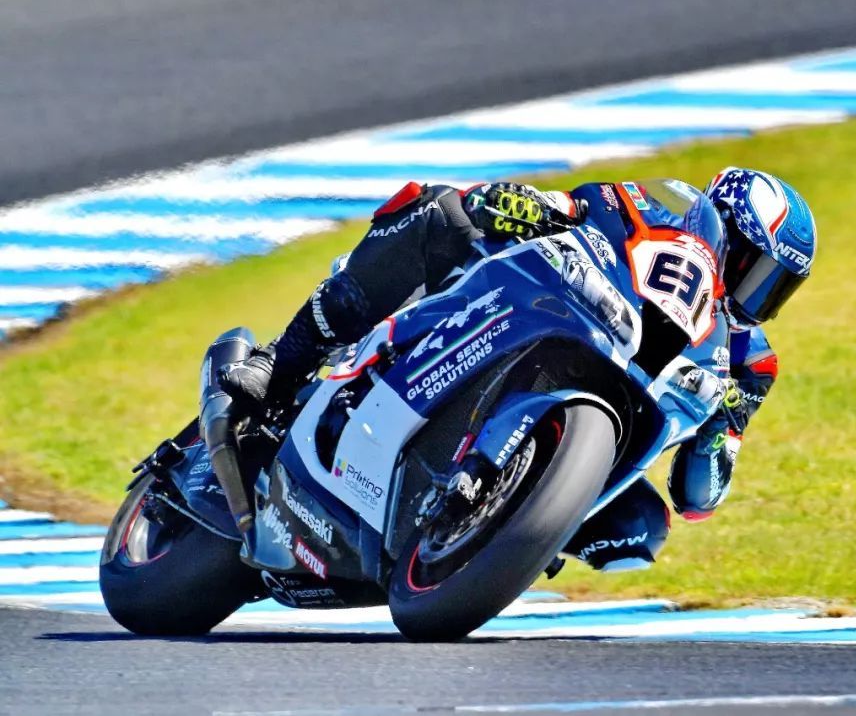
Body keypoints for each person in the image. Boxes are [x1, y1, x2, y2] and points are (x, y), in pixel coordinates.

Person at [221, 170, 817, 569]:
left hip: (619, 425)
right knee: (438, 210)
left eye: (774, 286)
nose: (754, 291)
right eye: (751, 265)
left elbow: (697, 497)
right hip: (566, 314)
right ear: (721, 224)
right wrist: (529, 206)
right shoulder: (658, 210)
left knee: (642, 527)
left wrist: (723, 428)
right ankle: (281, 362)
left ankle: (505, 529)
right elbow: (564, 206)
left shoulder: (750, 363)